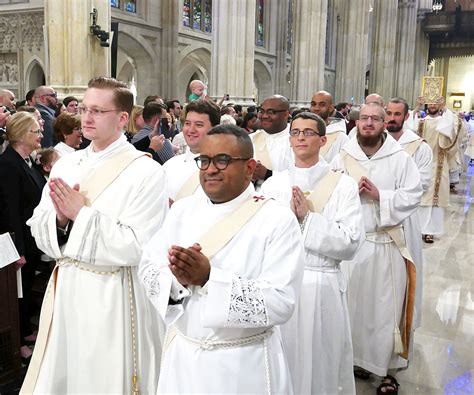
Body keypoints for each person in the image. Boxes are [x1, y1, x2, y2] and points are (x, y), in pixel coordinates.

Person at [21, 77, 168, 394]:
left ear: (123, 118)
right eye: (85, 108)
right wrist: (58, 220)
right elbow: (37, 225)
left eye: (99, 111)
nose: (86, 117)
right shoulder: (66, 165)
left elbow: (138, 246)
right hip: (68, 289)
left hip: (113, 294)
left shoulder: (146, 172)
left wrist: (80, 214)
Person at [139, 124, 304, 393]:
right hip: (183, 358)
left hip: (242, 364)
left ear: (250, 168)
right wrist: (176, 281)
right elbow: (148, 266)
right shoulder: (182, 210)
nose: (211, 169)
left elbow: (281, 301)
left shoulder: (276, 219)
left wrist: (208, 279)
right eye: (204, 160)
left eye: (223, 160)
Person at [261, 112, 364, 395]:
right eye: (295, 132)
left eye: (308, 132)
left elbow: (351, 241)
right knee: (281, 360)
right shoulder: (274, 185)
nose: (301, 137)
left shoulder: (343, 185)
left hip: (322, 284)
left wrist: (308, 220)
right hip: (279, 284)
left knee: (320, 362)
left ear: (322, 140)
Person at [331, 103, 422, 394]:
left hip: (386, 244)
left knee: (385, 311)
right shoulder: (343, 155)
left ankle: (388, 371)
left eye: (375, 119)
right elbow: (329, 190)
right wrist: (346, 193)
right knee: (354, 308)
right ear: (356, 123)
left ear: (385, 123)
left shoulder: (399, 158)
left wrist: (378, 195)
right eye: (364, 118)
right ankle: (358, 358)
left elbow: (412, 195)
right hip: (353, 245)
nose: (368, 123)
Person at [0, 112, 46, 363]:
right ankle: (17, 342)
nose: (40, 135)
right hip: (16, 240)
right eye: (34, 132)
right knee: (15, 292)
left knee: (26, 287)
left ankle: (26, 330)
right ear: (20, 135)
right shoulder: (8, 164)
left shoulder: (26, 160)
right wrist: (16, 250)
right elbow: (10, 209)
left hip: (29, 238)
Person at [405, 96, 459, 243]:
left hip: (439, 165)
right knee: (420, 197)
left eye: (436, 103)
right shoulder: (420, 122)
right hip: (421, 164)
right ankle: (418, 229)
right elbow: (406, 126)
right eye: (431, 102)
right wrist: (417, 106)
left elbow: (454, 129)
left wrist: (445, 108)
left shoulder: (444, 122)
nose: (433, 105)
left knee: (435, 201)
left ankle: (430, 231)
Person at [162, 98, 220, 203]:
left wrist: (179, 210)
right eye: (187, 123)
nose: (191, 130)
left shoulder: (223, 169)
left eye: (199, 125)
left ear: (215, 129)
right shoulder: (169, 166)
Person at [251, 95, 293, 184]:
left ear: (285, 114)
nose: (264, 116)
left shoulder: (297, 140)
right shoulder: (250, 139)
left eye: (271, 112)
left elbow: (302, 176)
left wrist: (268, 174)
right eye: (261, 111)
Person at [310, 90, 349, 163]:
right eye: (313, 104)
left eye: (322, 105)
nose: (316, 108)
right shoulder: (301, 133)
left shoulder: (341, 138)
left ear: (331, 108)